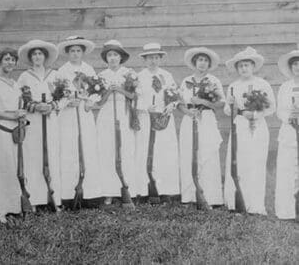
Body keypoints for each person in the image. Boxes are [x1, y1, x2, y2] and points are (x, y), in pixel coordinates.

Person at [224, 47, 275, 215]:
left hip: (258, 125)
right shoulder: (233, 86)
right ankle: (236, 203)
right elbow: (226, 111)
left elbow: (271, 107)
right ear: (237, 69)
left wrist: (254, 114)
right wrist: (230, 104)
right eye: (240, 66)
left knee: (256, 162)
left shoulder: (262, 84)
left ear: (253, 66)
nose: (244, 69)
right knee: (239, 161)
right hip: (239, 125)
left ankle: (255, 205)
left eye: (247, 65)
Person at [57, 36, 102, 207]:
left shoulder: (89, 69)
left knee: (88, 148)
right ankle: (69, 195)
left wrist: (90, 102)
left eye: (78, 51)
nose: (75, 54)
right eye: (72, 51)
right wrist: (68, 102)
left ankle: (90, 194)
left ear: (82, 53)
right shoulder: (62, 71)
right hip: (68, 115)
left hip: (84, 112)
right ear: (68, 53)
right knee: (70, 150)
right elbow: (58, 95)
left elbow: (97, 90)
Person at [17, 40, 61, 211]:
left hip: (50, 120)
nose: (37, 57)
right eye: (34, 54)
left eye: (40, 54)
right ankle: (34, 199)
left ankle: (54, 198)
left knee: (52, 154)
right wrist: (34, 106)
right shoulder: (24, 77)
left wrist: (51, 106)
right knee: (34, 156)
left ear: (45, 57)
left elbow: (63, 97)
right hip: (33, 121)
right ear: (30, 58)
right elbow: (19, 99)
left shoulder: (55, 75)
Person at [179, 47, 224, 207]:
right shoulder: (186, 81)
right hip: (189, 118)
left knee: (208, 153)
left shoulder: (213, 81)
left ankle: (211, 196)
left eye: (205, 60)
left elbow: (220, 103)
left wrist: (203, 102)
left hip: (206, 118)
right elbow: (179, 103)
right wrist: (187, 111)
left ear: (209, 64)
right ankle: (190, 196)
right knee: (189, 154)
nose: (202, 63)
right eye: (200, 60)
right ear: (194, 62)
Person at [135, 42, 180, 201]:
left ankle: (165, 190)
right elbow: (135, 99)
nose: (153, 61)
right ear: (144, 60)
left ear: (160, 58)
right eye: (149, 58)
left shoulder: (166, 75)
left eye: (156, 57)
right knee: (144, 151)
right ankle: (144, 190)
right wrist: (145, 107)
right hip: (146, 117)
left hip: (164, 118)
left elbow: (175, 95)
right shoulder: (139, 77)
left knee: (165, 152)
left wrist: (171, 105)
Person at [95, 40, 137, 204]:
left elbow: (134, 96)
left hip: (124, 112)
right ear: (106, 58)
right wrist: (107, 91)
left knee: (125, 149)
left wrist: (118, 89)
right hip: (106, 114)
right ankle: (109, 192)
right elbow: (98, 102)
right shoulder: (101, 76)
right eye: (110, 55)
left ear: (121, 57)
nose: (112, 58)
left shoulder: (129, 73)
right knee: (107, 150)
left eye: (116, 55)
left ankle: (127, 189)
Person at [0, 48, 26, 223]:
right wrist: (12, 115)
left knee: (13, 168)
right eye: (7, 59)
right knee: (2, 168)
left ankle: (13, 207)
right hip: (1, 128)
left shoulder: (14, 84)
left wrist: (21, 117)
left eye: (13, 60)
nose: (10, 62)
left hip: (15, 131)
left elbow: (19, 105)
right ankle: (1, 210)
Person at [275, 50, 299, 220]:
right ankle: (287, 210)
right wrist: (289, 117)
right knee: (287, 169)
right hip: (289, 131)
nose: (298, 68)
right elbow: (279, 110)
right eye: (295, 65)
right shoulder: (285, 86)